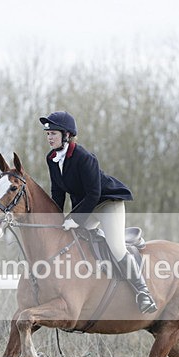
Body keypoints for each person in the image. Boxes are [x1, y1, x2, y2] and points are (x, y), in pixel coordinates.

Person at [39, 111, 157, 313]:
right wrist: (55, 220)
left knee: (117, 248)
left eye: (53, 134)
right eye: (47, 134)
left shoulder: (84, 158)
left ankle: (143, 292)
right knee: (71, 238)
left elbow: (94, 194)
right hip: (87, 206)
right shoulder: (51, 158)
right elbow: (57, 193)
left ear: (66, 135)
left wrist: (75, 218)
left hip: (106, 203)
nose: (49, 137)